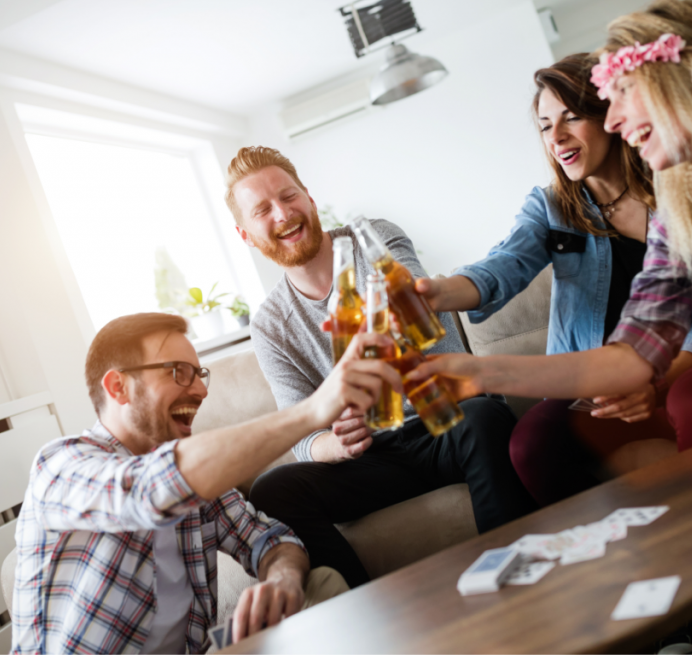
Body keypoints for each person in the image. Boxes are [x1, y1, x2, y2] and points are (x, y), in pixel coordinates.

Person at [406, 0, 692, 654]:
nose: (615, 119)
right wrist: (475, 370)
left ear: (675, 79)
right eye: (549, 124)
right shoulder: (686, 208)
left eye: (615, 96)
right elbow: (620, 350)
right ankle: (684, 608)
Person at [419, 53, 692, 505]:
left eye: (571, 118)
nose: (556, 137)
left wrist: (655, 382)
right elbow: (499, 269)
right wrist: (433, 293)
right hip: (591, 386)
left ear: (611, 115)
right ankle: (616, 551)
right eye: (545, 126)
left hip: (685, 369)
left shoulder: (679, 193)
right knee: (529, 445)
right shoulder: (550, 209)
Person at [225, 146, 536, 589]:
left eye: (289, 196)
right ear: (246, 234)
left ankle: (517, 587)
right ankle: (369, 617)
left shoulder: (374, 237)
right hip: (375, 455)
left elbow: (415, 299)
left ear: (309, 198)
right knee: (273, 491)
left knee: (485, 417)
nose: (283, 213)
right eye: (262, 209)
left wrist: (376, 297)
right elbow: (302, 435)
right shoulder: (270, 325)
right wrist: (337, 444)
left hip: (447, 421)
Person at [11, 312, 402, 653]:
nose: (200, 390)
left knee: (323, 584)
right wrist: (314, 410)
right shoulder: (60, 465)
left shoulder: (202, 487)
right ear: (119, 387)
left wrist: (281, 580)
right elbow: (152, 490)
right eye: (178, 372)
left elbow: (271, 539)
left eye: (199, 374)